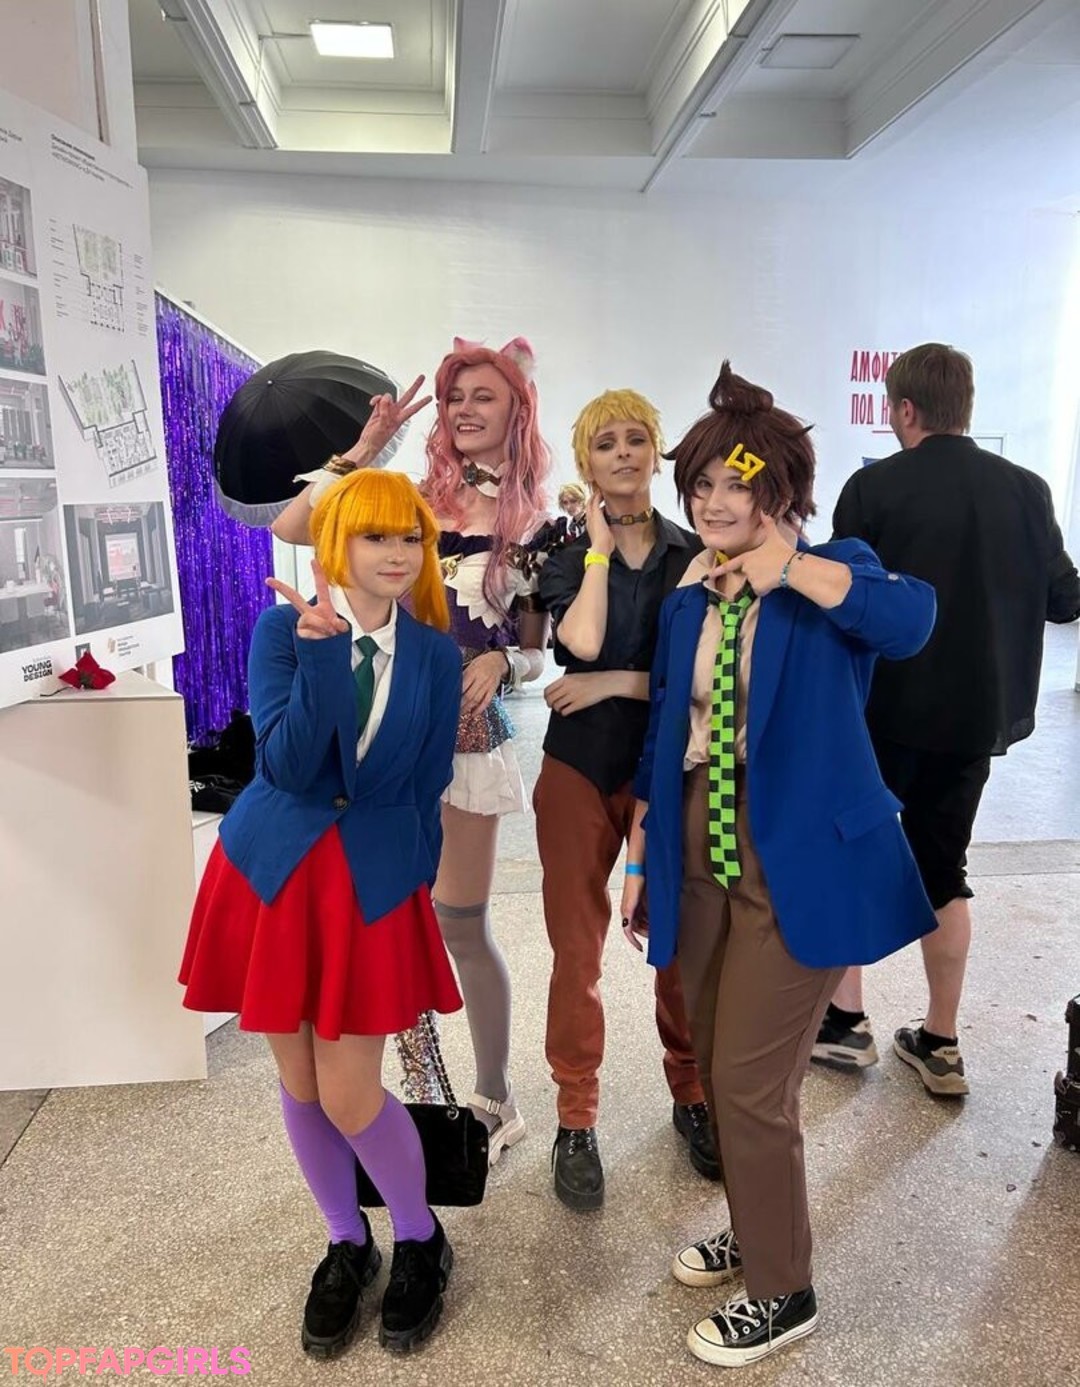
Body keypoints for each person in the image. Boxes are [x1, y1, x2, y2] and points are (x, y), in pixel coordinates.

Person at [622, 362, 938, 1368]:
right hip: (699, 847)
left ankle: (783, 1288)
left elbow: (911, 620)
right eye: (700, 485)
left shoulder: (830, 574)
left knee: (751, 1080)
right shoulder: (688, 598)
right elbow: (666, 724)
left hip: (799, 857)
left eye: (735, 484)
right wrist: (641, 855)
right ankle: (757, 1223)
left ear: (781, 489)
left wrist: (787, 566)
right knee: (717, 1056)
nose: (714, 503)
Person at [180, 470, 463, 1358]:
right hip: (274, 875)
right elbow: (289, 766)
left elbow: (427, 783)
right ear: (336, 542)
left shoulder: (436, 653)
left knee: (349, 1089)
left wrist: (413, 884)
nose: (397, 552)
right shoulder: (282, 630)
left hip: (370, 886)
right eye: (376, 535)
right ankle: (347, 1240)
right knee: (301, 1083)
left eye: (410, 536)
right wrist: (320, 658)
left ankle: (420, 1237)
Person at [273, 338, 552, 1160]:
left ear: (517, 409)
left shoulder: (540, 523)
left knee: (459, 921)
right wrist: (365, 447)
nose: (464, 409)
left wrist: (506, 663)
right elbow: (294, 524)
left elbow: (541, 647)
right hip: (380, 732)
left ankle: (495, 1095)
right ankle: (417, 1096)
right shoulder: (411, 499)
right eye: (456, 396)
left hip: (463, 734)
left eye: (483, 396)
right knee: (388, 920)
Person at [813, 344, 1080, 1094]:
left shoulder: (872, 488)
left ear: (904, 409)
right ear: (966, 404)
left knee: (853, 855)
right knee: (945, 868)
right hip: (975, 719)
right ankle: (940, 1041)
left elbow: (843, 601)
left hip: (879, 714)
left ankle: (846, 1025)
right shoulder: (1028, 490)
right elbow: (1066, 600)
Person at [535, 389, 717, 1212]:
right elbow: (575, 640)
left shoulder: (696, 554)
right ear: (586, 460)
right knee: (577, 952)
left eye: (635, 438)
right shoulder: (568, 555)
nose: (622, 453)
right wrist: (601, 551)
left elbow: (697, 678)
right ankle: (576, 1116)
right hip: (578, 768)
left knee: (674, 940)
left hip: (670, 770)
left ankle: (692, 1092)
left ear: (656, 451)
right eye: (604, 442)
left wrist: (611, 681)